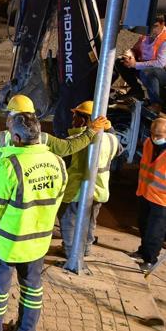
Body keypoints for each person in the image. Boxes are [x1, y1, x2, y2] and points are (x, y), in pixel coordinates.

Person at [0, 113, 68, 331]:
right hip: (38, 244)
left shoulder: (8, 167)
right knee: (32, 290)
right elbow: (56, 201)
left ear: (16, 137)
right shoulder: (58, 163)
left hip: (6, 245)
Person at [0, 94, 108, 181]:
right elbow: (68, 147)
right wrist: (90, 132)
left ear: (11, 118)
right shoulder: (44, 138)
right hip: (32, 191)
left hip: (7, 189)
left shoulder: (1, 138)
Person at [59, 101, 121, 258]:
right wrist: (110, 129)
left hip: (75, 192)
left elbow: (63, 161)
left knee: (69, 223)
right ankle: (85, 249)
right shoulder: (111, 139)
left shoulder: (75, 139)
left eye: (77, 116)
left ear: (86, 120)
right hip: (98, 191)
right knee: (90, 222)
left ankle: (70, 252)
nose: (73, 119)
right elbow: (119, 150)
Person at [131, 118, 166, 271]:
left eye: (158, 135)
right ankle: (142, 251)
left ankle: (150, 259)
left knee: (155, 231)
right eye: (152, 133)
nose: (155, 137)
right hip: (145, 192)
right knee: (143, 225)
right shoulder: (148, 143)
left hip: (162, 200)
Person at [120, 16, 166, 110]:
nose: (152, 29)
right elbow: (134, 49)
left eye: (155, 26)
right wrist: (129, 56)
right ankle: (136, 90)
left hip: (161, 72)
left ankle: (156, 103)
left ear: (163, 24)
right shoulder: (146, 34)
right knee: (120, 61)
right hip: (144, 67)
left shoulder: (164, 40)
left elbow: (160, 63)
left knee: (147, 72)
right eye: (150, 26)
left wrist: (135, 64)